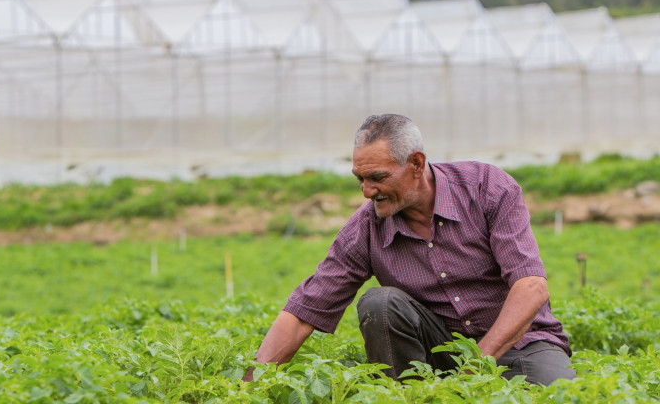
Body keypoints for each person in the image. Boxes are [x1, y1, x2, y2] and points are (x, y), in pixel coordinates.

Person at [243, 114, 576, 386]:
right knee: (381, 303)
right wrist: (246, 389)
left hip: (523, 343)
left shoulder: (486, 189)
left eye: (377, 177)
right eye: (359, 178)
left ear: (416, 163)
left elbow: (531, 287)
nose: (366, 191)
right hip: (438, 356)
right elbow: (304, 311)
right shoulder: (366, 228)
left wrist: (475, 366)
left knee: (558, 394)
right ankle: (407, 393)